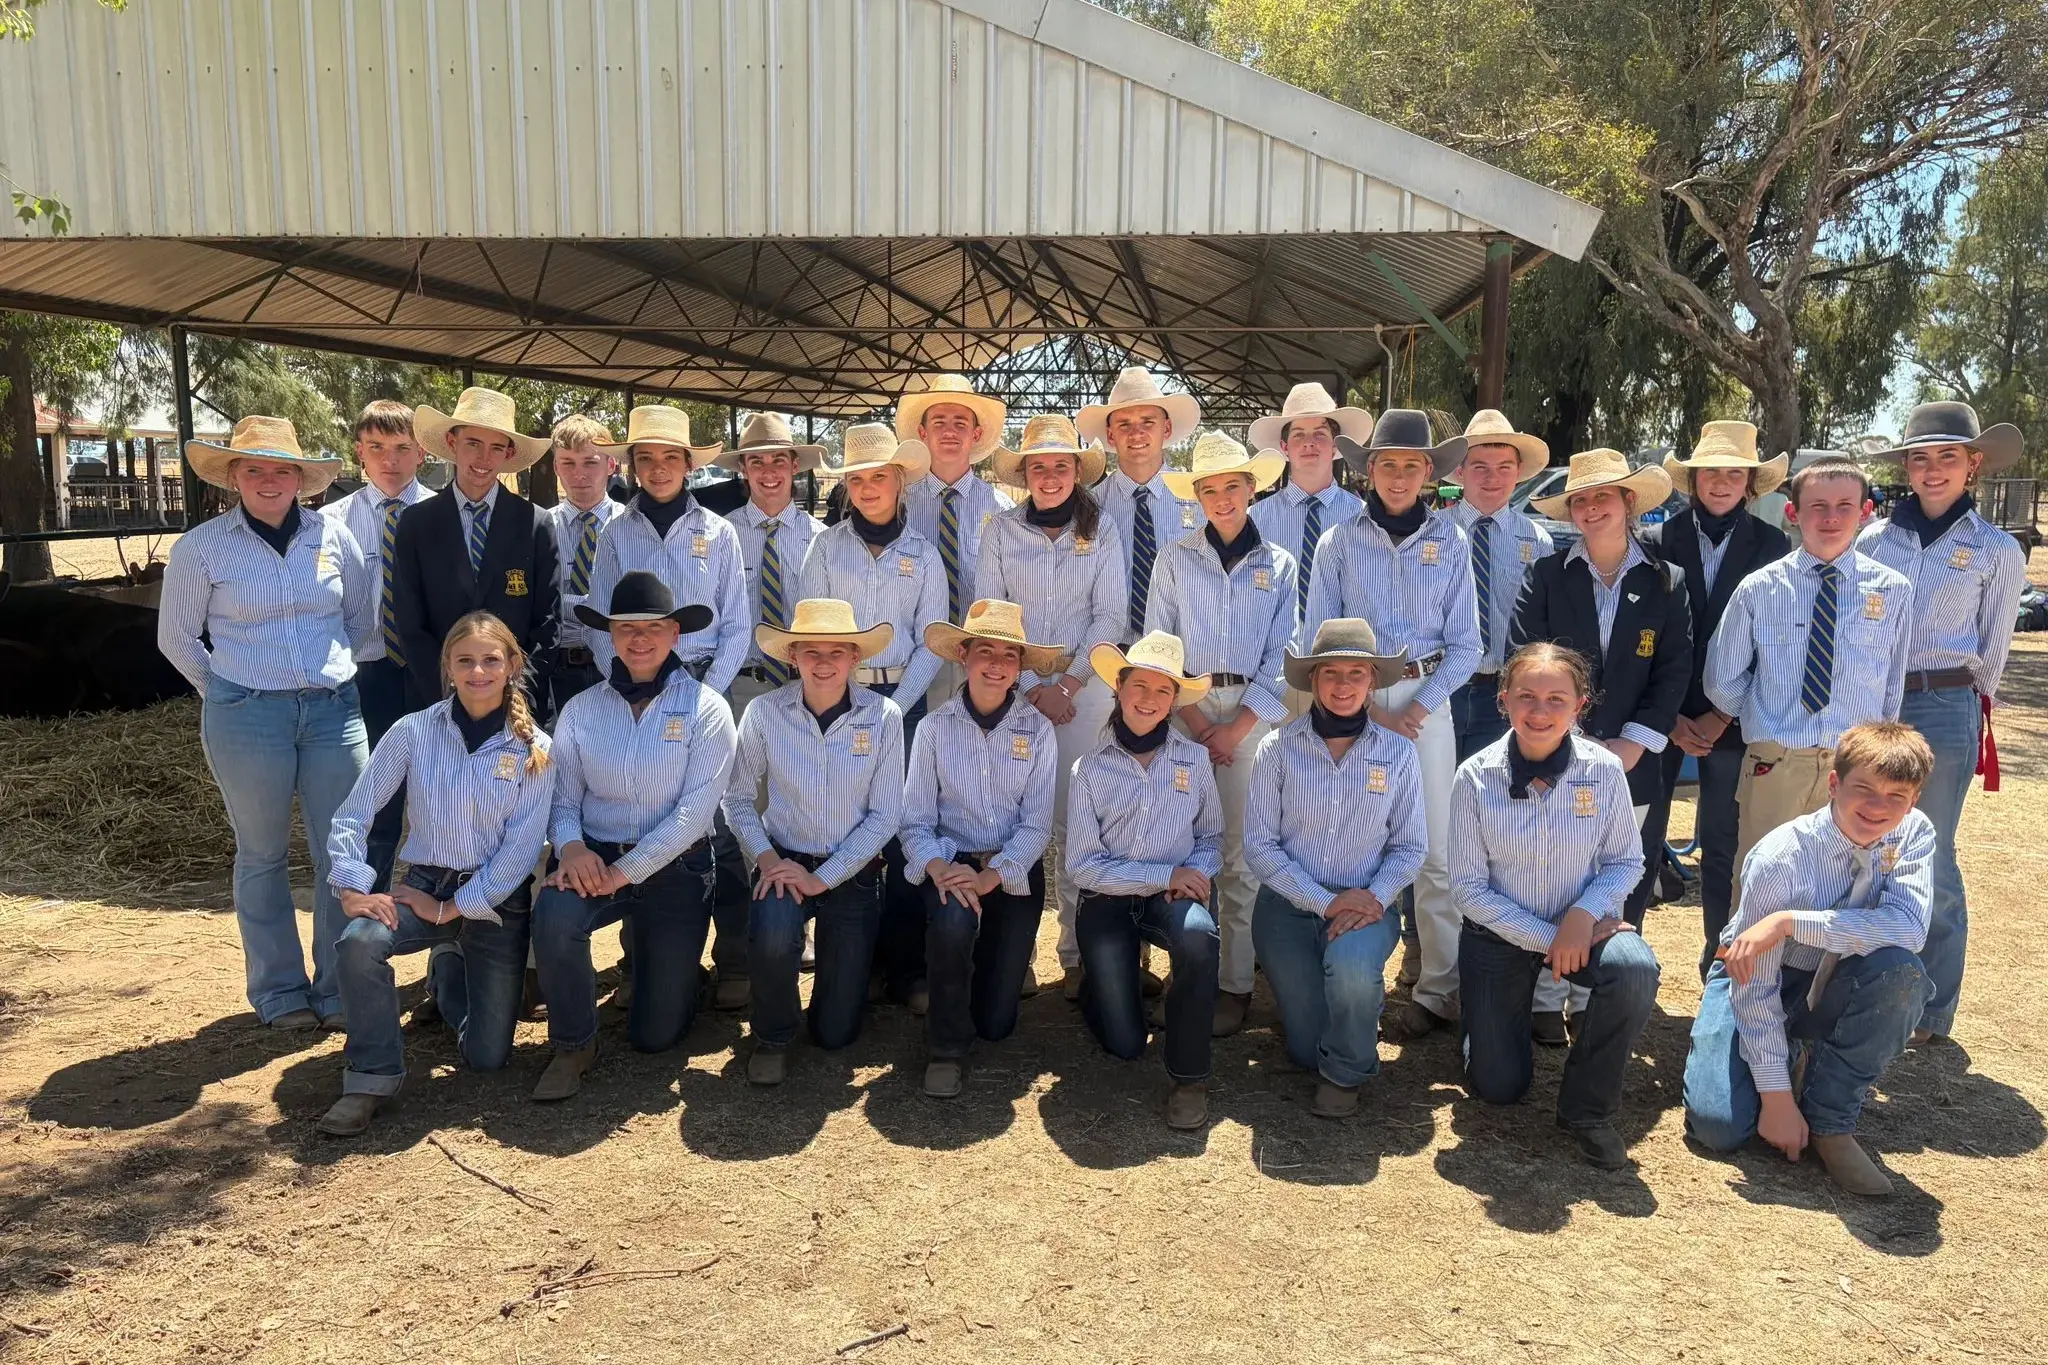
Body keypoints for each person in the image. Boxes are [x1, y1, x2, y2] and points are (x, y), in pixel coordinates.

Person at [158, 416, 372, 1031]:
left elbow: (358, 620)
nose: (270, 480)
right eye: (254, 468)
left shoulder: (333, 536)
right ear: (233, 477)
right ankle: (279, 991)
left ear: (303, 479)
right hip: (248, 715)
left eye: (284, 469)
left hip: (333, 711)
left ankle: (338, 988)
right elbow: (176, 637)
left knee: (341, 852)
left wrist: (325, 668)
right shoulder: (202, 548)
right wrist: (227, 689)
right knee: (261, 853)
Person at [317, 612, 555, 1135]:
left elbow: (520, 851)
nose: (477, 672)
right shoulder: (413, 731)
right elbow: (356, 812)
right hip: (424, 881)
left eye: (491, 660)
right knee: (358, 942)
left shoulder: (535, 749)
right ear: (446, 666)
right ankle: (369, 1078)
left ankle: (447, 971)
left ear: (513, 665)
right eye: (464, 660)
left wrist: (453, 910)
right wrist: (354, 886)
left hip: (498, 899)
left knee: (487, 1057)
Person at [1683, 722, 1938, 1197]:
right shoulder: (1782, 857)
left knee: (1901, 974)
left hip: (1837, 974)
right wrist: (1776, 1099)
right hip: (1761, 977)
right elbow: (1755, 987)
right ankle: (1787, 1067)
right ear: (1834, 783)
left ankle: (1830, 1123)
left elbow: (1909, 928)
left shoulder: (1913, 834)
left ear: (1915, 799)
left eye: (1897, 796)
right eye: (1864, 789)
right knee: (1718, 1128)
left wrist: (1789, 922)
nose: (1879, 808)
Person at [1450, 643, 1663, 1169]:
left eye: (1555, 699)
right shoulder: (1475, 776)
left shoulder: (1605, 769)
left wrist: (1581, 917)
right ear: (1503, 701)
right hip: (1500, 935)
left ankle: (1586, 1107)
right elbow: (1469, 889)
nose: (1539, 712)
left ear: (1580, 706)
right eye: (1526, 697)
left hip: (1586, 930)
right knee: (1498, 1088)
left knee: (1635, 970)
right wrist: (1552, 939)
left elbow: (1624, 862)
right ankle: (1485, 1033)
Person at [1305, 409, 1480, 1039]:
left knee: (1433, 848)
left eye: (1413, 465)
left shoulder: (1453, 542)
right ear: (1368, 470)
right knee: (1354, 835)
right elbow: (1317, 638)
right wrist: (1369, 707)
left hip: (1425, 702)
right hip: (1353, 697)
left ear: (1430, 474)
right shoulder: (1339, 542)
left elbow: (1467, 644)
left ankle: (1439, 987)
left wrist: (1416, 707)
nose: (1400, 475)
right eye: (1388, 464)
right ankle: (1347, 974)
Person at [1856, 402, 2026, 1044]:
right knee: (1860, 838)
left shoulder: (1995, 548)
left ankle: (1932, 1007)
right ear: (1905, 465)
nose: (1932, 470)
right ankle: (1862, 984)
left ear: (1973, 465)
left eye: (1947, 457)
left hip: (1945, 704)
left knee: (1934, 851)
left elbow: (1996, 645)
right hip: (1873, 702)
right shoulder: (1873, 540)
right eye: (1920, 457)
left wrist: (1963, 706)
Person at [528, 574, 737, 1099]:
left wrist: (624, 873)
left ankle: (681, 978)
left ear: (674, 635)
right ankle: (574, 1043)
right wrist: (572, 848)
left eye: (653, 629)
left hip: (677, 869)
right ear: (610, 636)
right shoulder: (582, 710)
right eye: (626, 629)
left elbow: (695, 814)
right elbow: (563, 797)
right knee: (553, 916)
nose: (638, 640)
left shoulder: (707, 710)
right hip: (593, 855)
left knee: (654, 1037)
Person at [1511, 448, 1691, 1040]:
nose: (1591, 508)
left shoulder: (1666, 582)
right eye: (1580, 500)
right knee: (1550, 869)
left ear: (1629, 503)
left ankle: (1595, 993)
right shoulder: (1546, 575)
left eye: (1602, 497)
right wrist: (1565, 742)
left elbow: (1672, 670)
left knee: (1623, 871)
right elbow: (1526, 664)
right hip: (1553, 752)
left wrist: (1634, 744)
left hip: (1635, 761)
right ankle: (1543, 994)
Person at [1704, 456, 1913, 895]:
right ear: (1793, 514)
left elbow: (1891, 687)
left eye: (1844, 506)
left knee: (1847, 887)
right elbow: (1722, 678)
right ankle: (1752, 964)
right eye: (1817, 506)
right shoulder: (1760, 588)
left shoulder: (1893, 591)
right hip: (1776, 763)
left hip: (1855, 769)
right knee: (1761, 880)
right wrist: (1766, 718)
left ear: (1866, 512)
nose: (1831, 517)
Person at [1245, 618, 1426, 1118]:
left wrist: (1371, 898)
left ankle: (1347, 1071)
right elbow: (1260, 847)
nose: (1342, 685)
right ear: (1313, 680)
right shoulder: (1276, 749)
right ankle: (1352, 1012)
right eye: (1330, 673)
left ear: (1373, 681)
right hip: (1287, 908)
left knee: (1348, 969)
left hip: (1367, 904)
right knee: (1305, 1051)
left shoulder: (1399, 753)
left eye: (1356, 673)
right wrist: (1324, 902)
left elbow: (1411, 848)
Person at [1147, 431, 1296, 1036]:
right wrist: (1199, 720)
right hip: (1188, 709)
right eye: (1209, 489)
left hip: (1253, 718)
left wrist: (1237, 727)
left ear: (1251, 489)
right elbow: (1160, 644)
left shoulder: (1279, 564)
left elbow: (1284, 648)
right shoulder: (1175, 559)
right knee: (1184, 845)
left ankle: (1234, 982)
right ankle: (1191, 972)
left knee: (1238, 856)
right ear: (1198, 497)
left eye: (1231, 486)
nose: (1221, 499)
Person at [974, 414, 1126, 1000]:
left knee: (1077, 822)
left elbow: (1110, 616)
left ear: (1076, 472)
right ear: (1026, 474)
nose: (1051, 475)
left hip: (1083, 695)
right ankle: (1008, 951)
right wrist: (1025, 685)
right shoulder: (1001, 532)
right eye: (1039, 466)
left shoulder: (1102, 531)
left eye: (1062, 465)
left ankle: (1073, 950)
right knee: (1006, 818)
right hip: (1013, 688)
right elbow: (991, 612)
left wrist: (1069, 685)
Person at [799, 424, 948, 1009]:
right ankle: (850, 962)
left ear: (899, 482)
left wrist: (892, 706)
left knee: (905, 835)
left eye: (878, 477)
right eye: (856, 479)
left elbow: (930, 641)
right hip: (836, 702)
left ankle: (906, 967)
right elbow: (811, 631)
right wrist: (845, 700)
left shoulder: (923, 555)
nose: (867, 488)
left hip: (902, 706)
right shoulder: (825, 549)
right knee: (844, 827)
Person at [727, 599, 906, 1084]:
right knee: (772, 933)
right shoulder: (764, 712)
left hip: (852, 872)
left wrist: (822, 877)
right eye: (811, 652)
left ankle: (835, 1004)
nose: (824, 663)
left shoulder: (885, 716)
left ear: (855, 658)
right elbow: (738, 800)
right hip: (783, 863)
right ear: (793, 658)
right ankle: (773, 1034)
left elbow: (886, 814)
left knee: (835, 1033)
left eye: (837, 652)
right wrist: (766, 859)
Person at [1641, 422, 1791, 978]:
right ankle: (1622, 961)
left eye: (1735, 472)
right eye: (1712, 472)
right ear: (1693, 480)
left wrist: (1721, 710)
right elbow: (1650, 636)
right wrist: (1674, 716)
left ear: (1750, 483)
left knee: (1727, 847)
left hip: (1735, 719)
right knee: (1640, 840)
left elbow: (1772, 642)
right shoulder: (1658, 542)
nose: (1722, 482)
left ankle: (1720, 958)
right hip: (1663, 717)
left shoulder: (1772, 545)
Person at [901, 600, 1066, 1097]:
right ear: (964, 656)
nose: (996, 665)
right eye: (985, 652)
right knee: (952, 923)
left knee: (997, 1022)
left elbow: (1037, 826)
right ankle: (946, 1048)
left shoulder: (1037, 730)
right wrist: (942, 868)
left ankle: (967, 987)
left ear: (1020, 667)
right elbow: (914, 823)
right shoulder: (933, 728)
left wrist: (991, 875)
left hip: (1009, 870)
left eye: (1009, 656)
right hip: (950, 868)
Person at [1066, 631, 1224, 1131]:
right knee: (1125, 1045)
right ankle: (1103, 982)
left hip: (1169, 899)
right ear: (1118, 687)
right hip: (1107, 903)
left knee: (1198, 937)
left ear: (1174, 700)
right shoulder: (1088, 769)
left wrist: (1193, 875)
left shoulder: (1193, 760)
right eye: (1139, 686)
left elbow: (1212, 836)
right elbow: (1083, 866)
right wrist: (1164, 872)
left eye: (1163, 690)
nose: (1149, 699)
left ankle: (1190, 1077)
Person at [710, 413, 827, 1010]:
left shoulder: (824, 536)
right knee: (737, 822)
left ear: (795, 469)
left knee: (806, 808)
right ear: (744, 470)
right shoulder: (722, 534)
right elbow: (725, 617)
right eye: (757, 461)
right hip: (747, 687)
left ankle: (797, 933)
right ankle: (736, 954)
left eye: (779, 460)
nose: (769, 470)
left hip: (811, 691)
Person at [390, 386, 560, 711]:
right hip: (439, 703)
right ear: (452, 444)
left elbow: (548, 623)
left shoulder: (534, 524)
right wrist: (451, 697)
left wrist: (515, 695)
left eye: (496, 448)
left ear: (509, 454)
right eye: (473, 444)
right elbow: (410, 625)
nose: (484, 459)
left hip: (519, 705)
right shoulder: (416, 524)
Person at [320, 400, 429, 891]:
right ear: (359, 452)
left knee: (445, 796)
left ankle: (446, 932)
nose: (391, 460)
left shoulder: (444, 515)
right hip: (367, 674)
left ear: (422, 453)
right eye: (378, 448)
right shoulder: (329, 523)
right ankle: (369, 914)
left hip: (431, 673)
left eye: (403, 448)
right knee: (376, 802)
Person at [582, 405, 748, 690]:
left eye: (671, 456)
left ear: (689, 464)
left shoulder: (719, 533)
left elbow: (737, 624)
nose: (658, 468)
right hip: (634, 679)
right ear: (633, 465)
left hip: (703, 676)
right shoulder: (615, 534)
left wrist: (710, 692)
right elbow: (600, 623)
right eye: (645, 458)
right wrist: (625, 683)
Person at [899, 373, 1014, 709]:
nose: (949, 431)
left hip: (980, 660)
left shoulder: (1002, 510)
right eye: (939, 422)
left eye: (960, 422)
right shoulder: (899, 505)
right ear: (923, 433)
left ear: (976, 434)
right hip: (915, 656)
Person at [1443, 410, 1552, 760]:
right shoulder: (1433, 533)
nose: (1493, 478)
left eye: (1504, 467)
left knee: (1490, 797)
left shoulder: (1537, 541)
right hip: (1440, 689)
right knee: (1434, 796)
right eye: (1480, 467)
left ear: (1518, 473)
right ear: (1460, 471)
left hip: (1504, 694)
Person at [1077, 367, 1205, 647]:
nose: (1136, 433)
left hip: (1181, 647)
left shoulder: (1199, 503)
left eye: (1148, 422)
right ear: (1110, 436)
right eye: (1124, 424)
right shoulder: (1090, 507)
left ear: (1166, 429)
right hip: (1109, 648)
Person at [541, 412, 626, 716]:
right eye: (568, 463)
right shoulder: (539, 528)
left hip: (619, 664)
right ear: (555, 467)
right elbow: (537, 604)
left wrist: (565, 604)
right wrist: (596, 606)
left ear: (611, 465)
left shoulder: (632, 528)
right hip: (557, 669)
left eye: (590, 462)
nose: (579, 474)